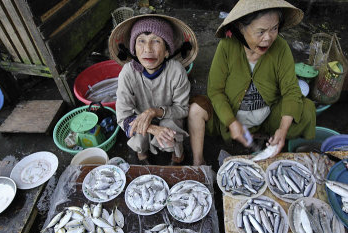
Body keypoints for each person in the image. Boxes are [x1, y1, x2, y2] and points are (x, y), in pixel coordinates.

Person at [188, 0, 316, 165]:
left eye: (274, 29)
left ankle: (283, 145)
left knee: (306, 109)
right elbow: (215, 91)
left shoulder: (281, 48)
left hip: (267, 118)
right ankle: (198, 162)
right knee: (195, 109)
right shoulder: (227, 46)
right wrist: (231, 122)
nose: (268, 38)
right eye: (261, 31)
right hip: (229, 116)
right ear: (241, 27)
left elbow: (291, 90)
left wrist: (282, 130)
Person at [109, 14, 198, 164]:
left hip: (168, 114)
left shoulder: (176, 71)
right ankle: (142, 156)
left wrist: (155, 111)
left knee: (171, 132)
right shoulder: (128, 73)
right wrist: (152, 128)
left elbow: (182, 109)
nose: (147, 49)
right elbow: (123, 117)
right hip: (139, 118)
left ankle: (178, 157)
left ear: (167, 51)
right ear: (134, 50)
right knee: (138, 131)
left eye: (156, 41)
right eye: (141, 41)